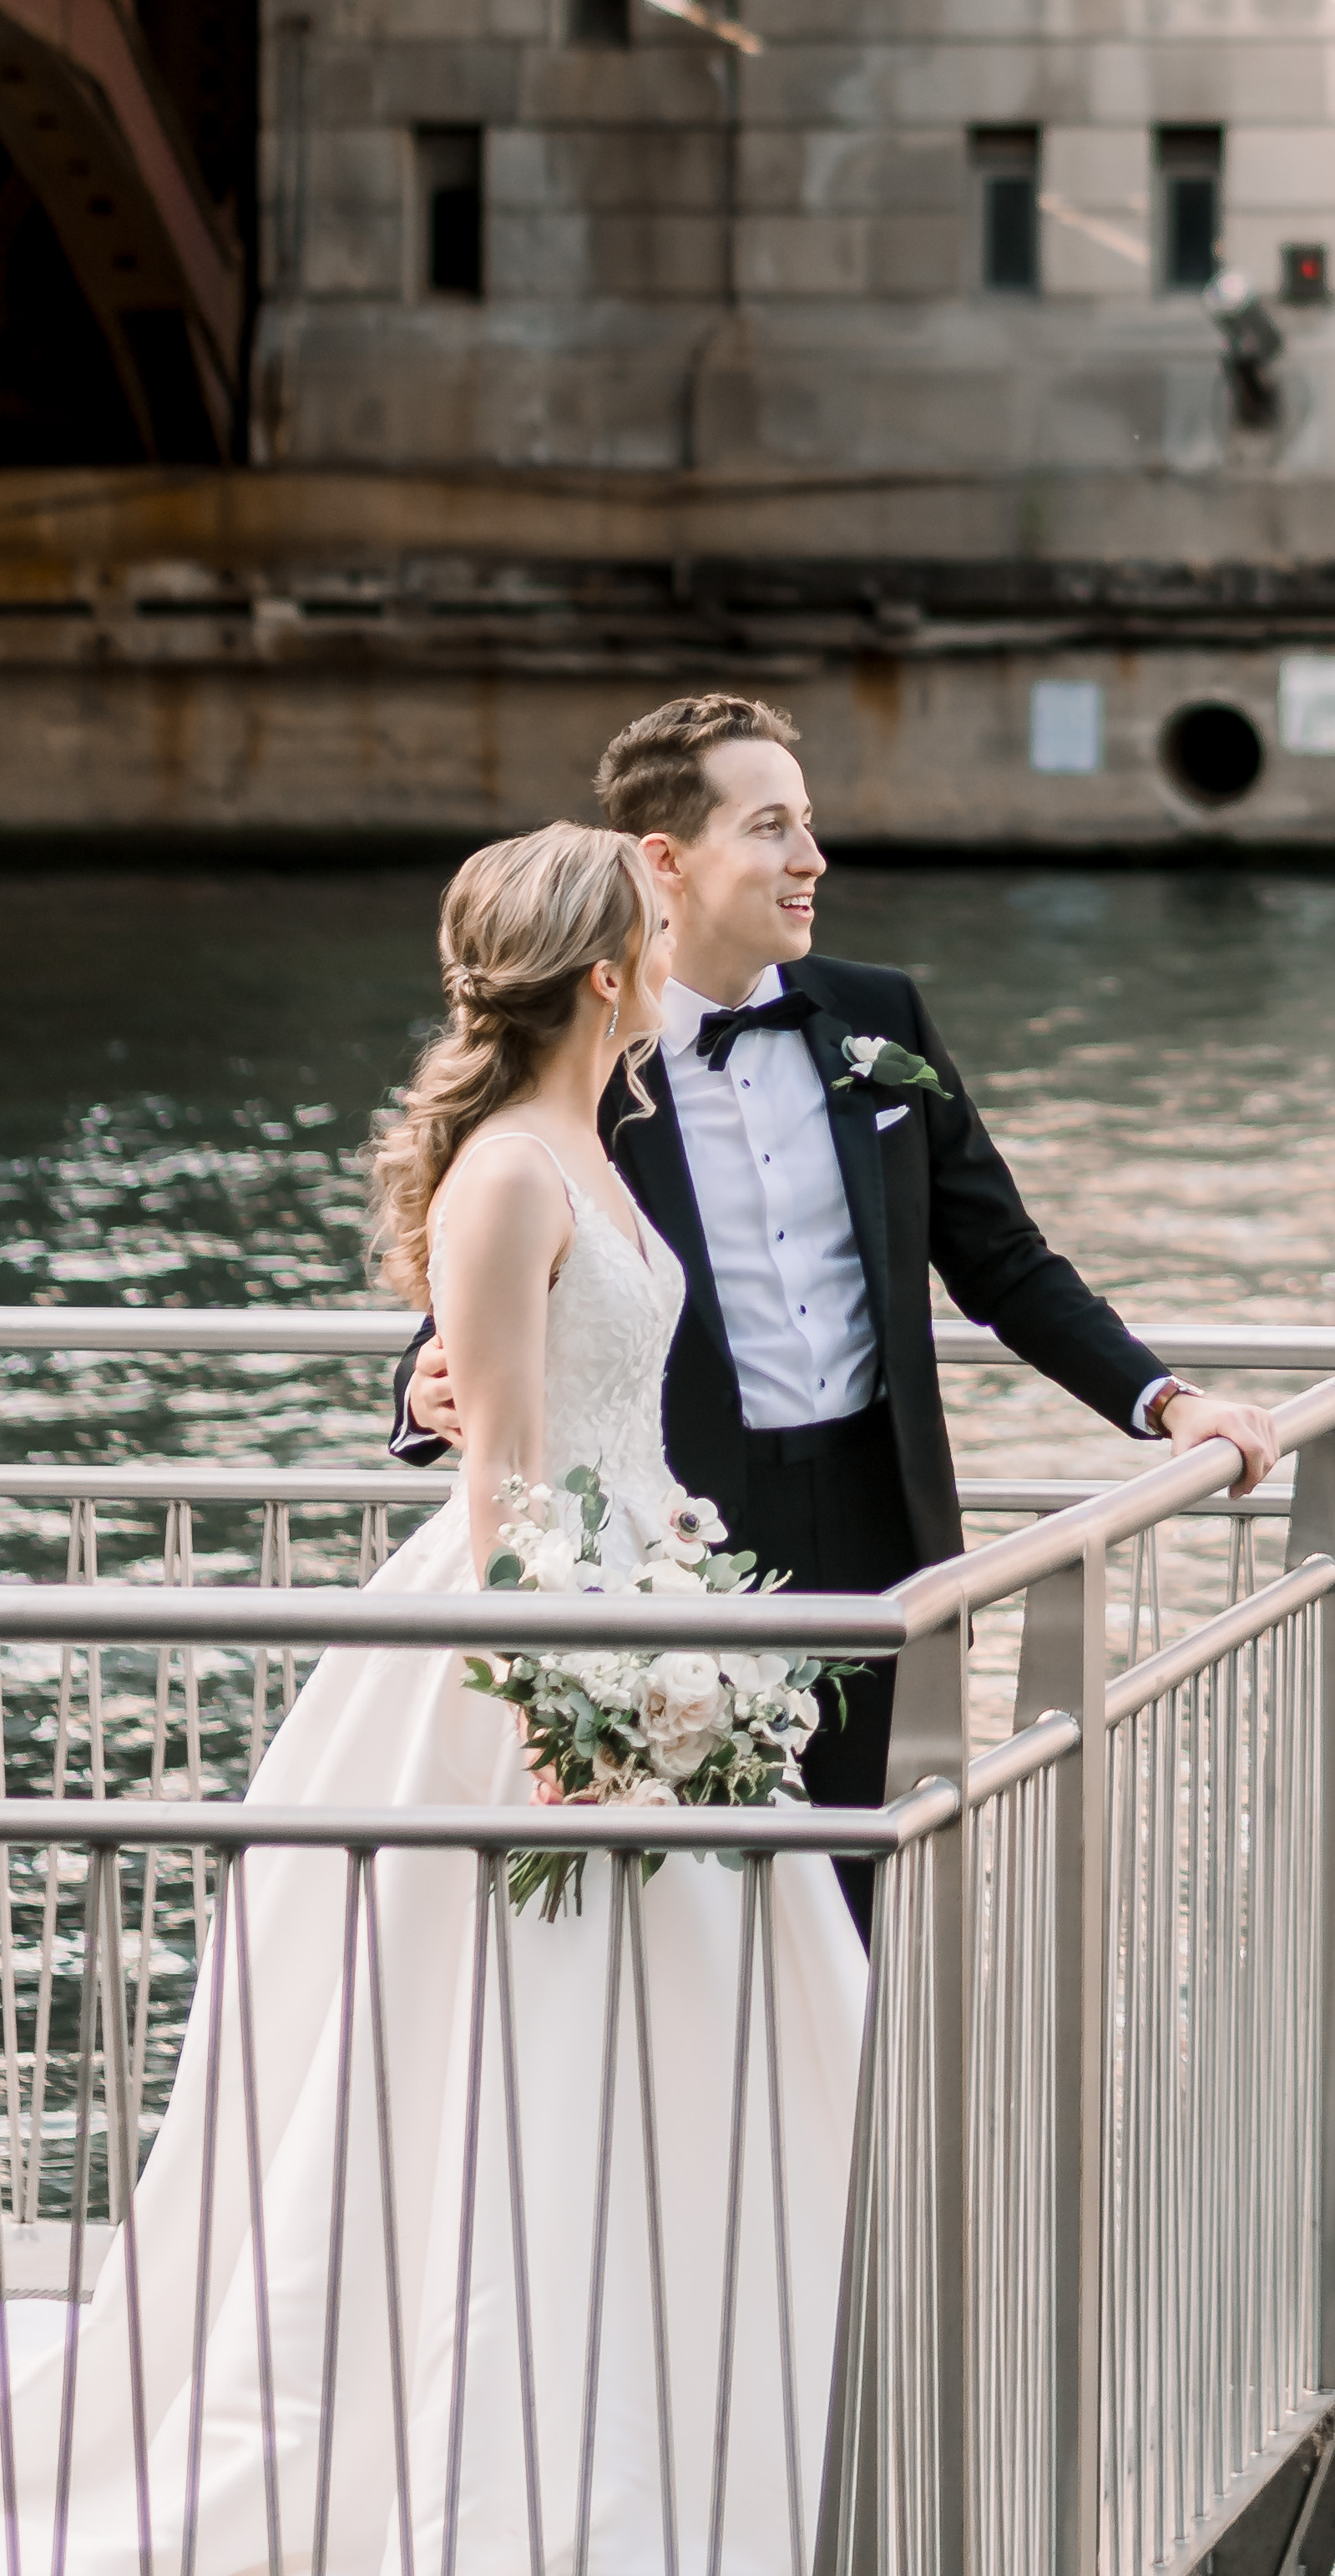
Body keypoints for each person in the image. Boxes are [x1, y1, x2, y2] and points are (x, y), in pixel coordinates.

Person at [0, 821, 872, 2576]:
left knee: (679, 2046)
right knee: (497, 2066)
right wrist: (557, 1693)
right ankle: (503, 2457)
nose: (679, 961)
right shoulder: (514, 1172)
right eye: (655, 938)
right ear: (606, 973)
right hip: (533, 1652)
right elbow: (502, 1477)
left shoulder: (588, 1139)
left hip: (635, 1605)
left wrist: (662, 1618)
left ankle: (703, 2432)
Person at [398, 690, 1282, 1835]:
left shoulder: (883, 1017)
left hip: (882, 1522)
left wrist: (1167, 1401)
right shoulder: (588, 1052)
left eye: (806, 821)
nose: (811, 858)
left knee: (875, 1872)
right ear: (666, 860)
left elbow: (1002, 1259)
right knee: (691, 1869)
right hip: (684, 1525)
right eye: (770, 827)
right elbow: (507, 1258)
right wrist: (427, 1387)